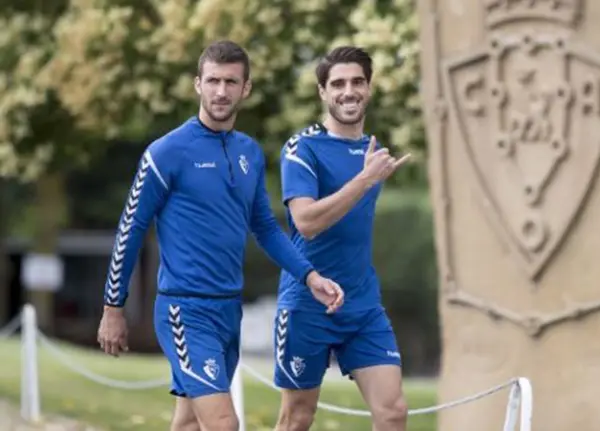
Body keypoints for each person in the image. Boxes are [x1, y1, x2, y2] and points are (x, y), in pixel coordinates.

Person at [95, 40, 344, 431]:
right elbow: (131, 228)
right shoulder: (166, 152)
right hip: (184, 311)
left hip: (229, 310)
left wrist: (310, 277)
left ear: (246, 88)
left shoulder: (249, 152)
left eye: (231, 82)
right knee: (224, 424)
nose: (221, 91)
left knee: (190, 424)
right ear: (198, 84)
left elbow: (264, 227)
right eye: (212, 80)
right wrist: (113, 308)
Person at [273, 46, 411, 431]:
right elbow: (306, 222)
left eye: (357, 82)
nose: (348, 91)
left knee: (393, 411)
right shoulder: (302, 148)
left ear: (368, 88)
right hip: (307, 303)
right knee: (297, 418)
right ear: (322, 92)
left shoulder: (372, 152)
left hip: (362, 304)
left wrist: (368, 173)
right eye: (338, 84)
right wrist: (365, 179)